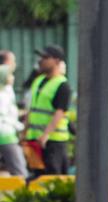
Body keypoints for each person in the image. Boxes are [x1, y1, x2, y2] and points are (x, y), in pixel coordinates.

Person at [23, 45, 70, 176]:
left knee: (52, 175)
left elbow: (60, 112)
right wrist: (24, 132)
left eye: (45, 57)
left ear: (56, 61)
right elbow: (31, 109)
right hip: (34, 140)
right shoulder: (38, 81)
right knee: (36, 175)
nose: (40, 60)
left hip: (52, 142)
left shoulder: (62, 85)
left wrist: (46, 135)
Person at [0, 64, 28, 179]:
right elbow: (3, 115)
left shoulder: (6, 92)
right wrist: (20, 126)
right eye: (10, 75)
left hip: (6, 134)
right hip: (6, 136)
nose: (13, 77)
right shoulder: (3, 95)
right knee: (20, 171)